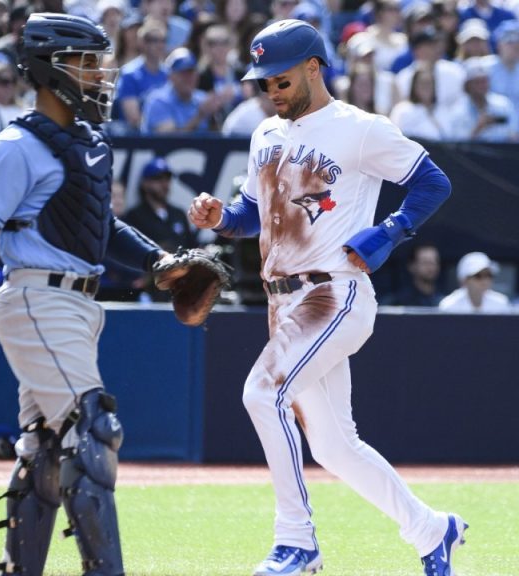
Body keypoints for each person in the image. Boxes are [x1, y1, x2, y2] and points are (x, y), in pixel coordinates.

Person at [186, 19, 464, 576]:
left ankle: (297, 541)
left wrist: (391, 231)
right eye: (264, 82)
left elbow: (433, 181)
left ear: (314, 66)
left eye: (281, 79)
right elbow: (250, 216)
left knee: (262, 393)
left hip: (334, 293)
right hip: (281, 301)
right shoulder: (265, 134)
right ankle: (433, 529)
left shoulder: (359, 128)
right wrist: (221, 218)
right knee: (334, 446)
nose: (272, 91)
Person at [0, 14, 173, 576]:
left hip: (75, 303)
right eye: (89, 62)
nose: (101, 73)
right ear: (53, 69)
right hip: (36, 297)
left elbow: (99, 227)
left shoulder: (87, 142)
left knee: (47, 446)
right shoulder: (14, 145)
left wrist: (158, 261)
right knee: (94, 428)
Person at [438, 251, 512, 313]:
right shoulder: (449, 306)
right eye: (478, 276)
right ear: (464, 281)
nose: (485, 281)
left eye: (488, 275)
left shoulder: (501, 303)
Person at [395, 242, 446, 306]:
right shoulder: (399, 302)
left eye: (434, 262)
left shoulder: (445, 302)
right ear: (412, 266)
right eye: (425, 262)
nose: (430, 267)